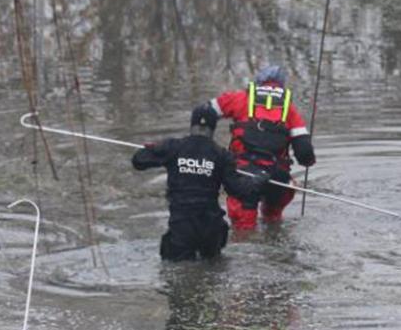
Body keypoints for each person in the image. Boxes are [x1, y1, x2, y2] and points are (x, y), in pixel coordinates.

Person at [131, 105, 265, 261]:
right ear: (213, 128)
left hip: (182, 227)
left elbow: (138, 161)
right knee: (213, 272)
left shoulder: (173, 147)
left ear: (192, 125)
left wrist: (155, 148)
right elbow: (238, 191)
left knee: (177, 274)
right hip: (211, 228)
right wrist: (258, 180)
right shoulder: (222, 155)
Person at [205, 65, 315, 229]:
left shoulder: (239, 99)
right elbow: (305, 153)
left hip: (243, 177)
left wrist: (205, 146)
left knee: (243, 229)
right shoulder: (289, 110)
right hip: (277, 180)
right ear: (281, 86)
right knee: (273, 219)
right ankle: (273, 225)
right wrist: (308, 161)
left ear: (258, 83)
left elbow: (204, 112)